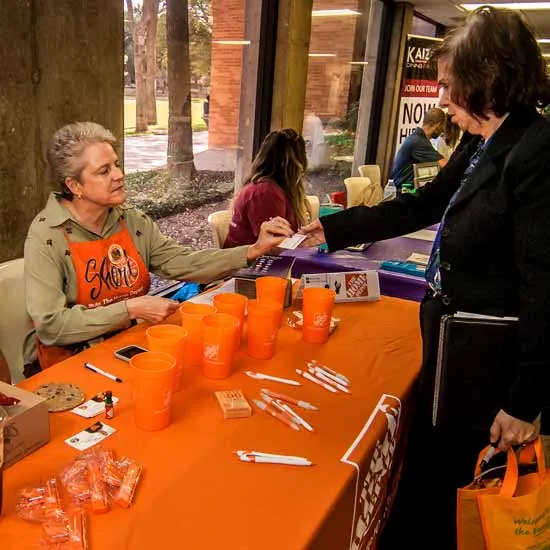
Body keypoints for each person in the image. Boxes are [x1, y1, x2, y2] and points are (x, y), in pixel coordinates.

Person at [299, 7, 550, 548]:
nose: (439, 99)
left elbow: (544, 287)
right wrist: (330, 228)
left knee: (456, 484)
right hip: (454, 345)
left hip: (488, 358)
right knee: (431, 472)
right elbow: (427, 203)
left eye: (447, 85)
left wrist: (525, 400)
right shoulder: (485, 138)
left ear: (488, 78)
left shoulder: (536, 151)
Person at [23, 122, 292, 376]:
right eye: (104, 171)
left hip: (128, 346)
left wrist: (251, 250)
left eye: (116, 165)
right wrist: (131, 308)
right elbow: (51, 326)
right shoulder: (46, 235)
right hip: (71, 366)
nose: (119, 175)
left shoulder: (130, 219)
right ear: (74, 186)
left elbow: (181, 261)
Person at [223, 128, 310, 248]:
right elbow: (274, 246)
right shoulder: (265, 192)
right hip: (247, 264)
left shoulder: (273, 188)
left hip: (261, 260)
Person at [391, 107, 447, 192]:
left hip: (406, 187)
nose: (443, 130)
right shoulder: (419, 141)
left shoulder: (417, 138)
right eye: (443, 126)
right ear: (437, 124)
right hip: (406, 190)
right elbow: (444, 164)